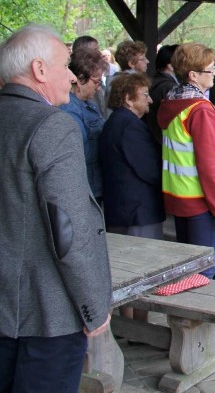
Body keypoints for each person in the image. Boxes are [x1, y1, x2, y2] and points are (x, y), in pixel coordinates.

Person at [0, 24, 111, 391]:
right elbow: (69, 228)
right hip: (45, 316)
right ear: (39, 70)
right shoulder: (52, 126)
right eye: (65, 65)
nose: (70, 75)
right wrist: (94, 308)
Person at [158, 43, 215, 279]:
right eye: (211, 69)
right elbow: (209, 167)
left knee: (187, 270)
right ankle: (194, 318)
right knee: (203, 272)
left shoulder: (172, 103)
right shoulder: (199, 110)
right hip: (202, 204)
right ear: (193, 75)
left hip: (180, 199)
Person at [100, 72, 165, 239]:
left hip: (123, 210)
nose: (149, 100)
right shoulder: (130, 127)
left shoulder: (115, 122)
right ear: (128, 99)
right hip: (137, 213)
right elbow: (150, 170)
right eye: (145, 95)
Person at [60, 47, 108, 203]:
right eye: (96, 81)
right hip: (85, 190)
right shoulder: (69, 111)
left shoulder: (87, 103)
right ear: (80, 79)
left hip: (94, 185)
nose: (98, 87)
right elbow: (78, 156)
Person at [146, 44, 179, 143]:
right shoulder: (169, 87)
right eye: (181, 61)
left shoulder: (154, 81)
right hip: (162, 141)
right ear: (170, 66)